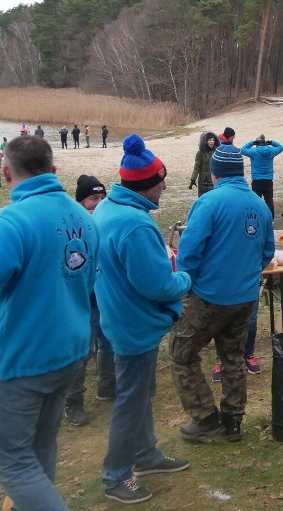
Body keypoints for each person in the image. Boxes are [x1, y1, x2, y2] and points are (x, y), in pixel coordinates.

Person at [0, 135, 97, 510]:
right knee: (40, 450)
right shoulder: (82, 217)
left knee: (12, 461)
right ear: (54, 171)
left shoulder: (11, 222)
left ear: (6, 172)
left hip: (20, 362)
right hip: (68, 354)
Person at [93, 134, 192, 504]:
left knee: (139, 394)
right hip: (134, 323)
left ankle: (146, 454)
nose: (165, 185)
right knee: (131, 399)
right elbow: (157, 284)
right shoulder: (135, 225)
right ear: (147, 185)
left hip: (118, 317)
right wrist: (184, 275)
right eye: (161, 180)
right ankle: (116, 476)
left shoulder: (107, 209)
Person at [170, 144, 275, 443]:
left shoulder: (208, 203)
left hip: (208, 298)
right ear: (240, 172)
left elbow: (188, 255)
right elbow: (267, 251)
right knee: (233, 357)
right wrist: (247, 276)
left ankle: (205, 418)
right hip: (244, 298)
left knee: (180, 354)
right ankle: (233, 422)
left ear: (214, 173)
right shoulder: (260, 205)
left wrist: (190, 285)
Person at [64, 175, 116, 427]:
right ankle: (73, 401)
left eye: (101, 197)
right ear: (81, 202)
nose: (98, 203)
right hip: (81, 299)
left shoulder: (107, 221)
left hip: (104, 296)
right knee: (82, 351)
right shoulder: (74, 228)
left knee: (107, 343)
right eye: (92, 198)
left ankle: (107, 386)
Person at [241, 133, 283, 217]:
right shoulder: (271, 150)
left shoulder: (253, 151)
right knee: (269, 200)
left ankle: (256, 217)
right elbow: (281, 147)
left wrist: (252, 143)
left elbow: (243, 149)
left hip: (257, 180)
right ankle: (271, 218)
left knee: (255, 201)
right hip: (268, 180)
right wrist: (271, 142)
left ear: (258, 143)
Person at [190, 131, 219, 197]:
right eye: (209, 140)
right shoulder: (200, 153)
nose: (212, 142)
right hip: (203, 181)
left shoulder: (217, 152)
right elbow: (197, 167)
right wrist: (193, 179)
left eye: (213, 140)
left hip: (214, 180)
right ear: (205, 141)